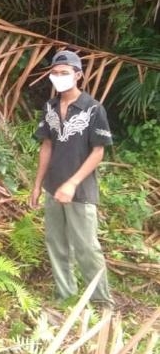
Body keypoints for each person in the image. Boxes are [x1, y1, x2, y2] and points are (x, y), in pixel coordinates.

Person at [31, 50, 113, 307]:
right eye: (54, 74)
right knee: (56, 243)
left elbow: (98, 152)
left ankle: (101, 302)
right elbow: (46, 146)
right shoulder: (50, 107)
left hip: (80, 192)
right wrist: (37, 185)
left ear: (78, 75)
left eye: (64, 73)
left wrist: (72, 183)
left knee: (87, 247)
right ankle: (65, 296)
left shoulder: (93, 109)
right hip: (52, 187)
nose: (58, 78)